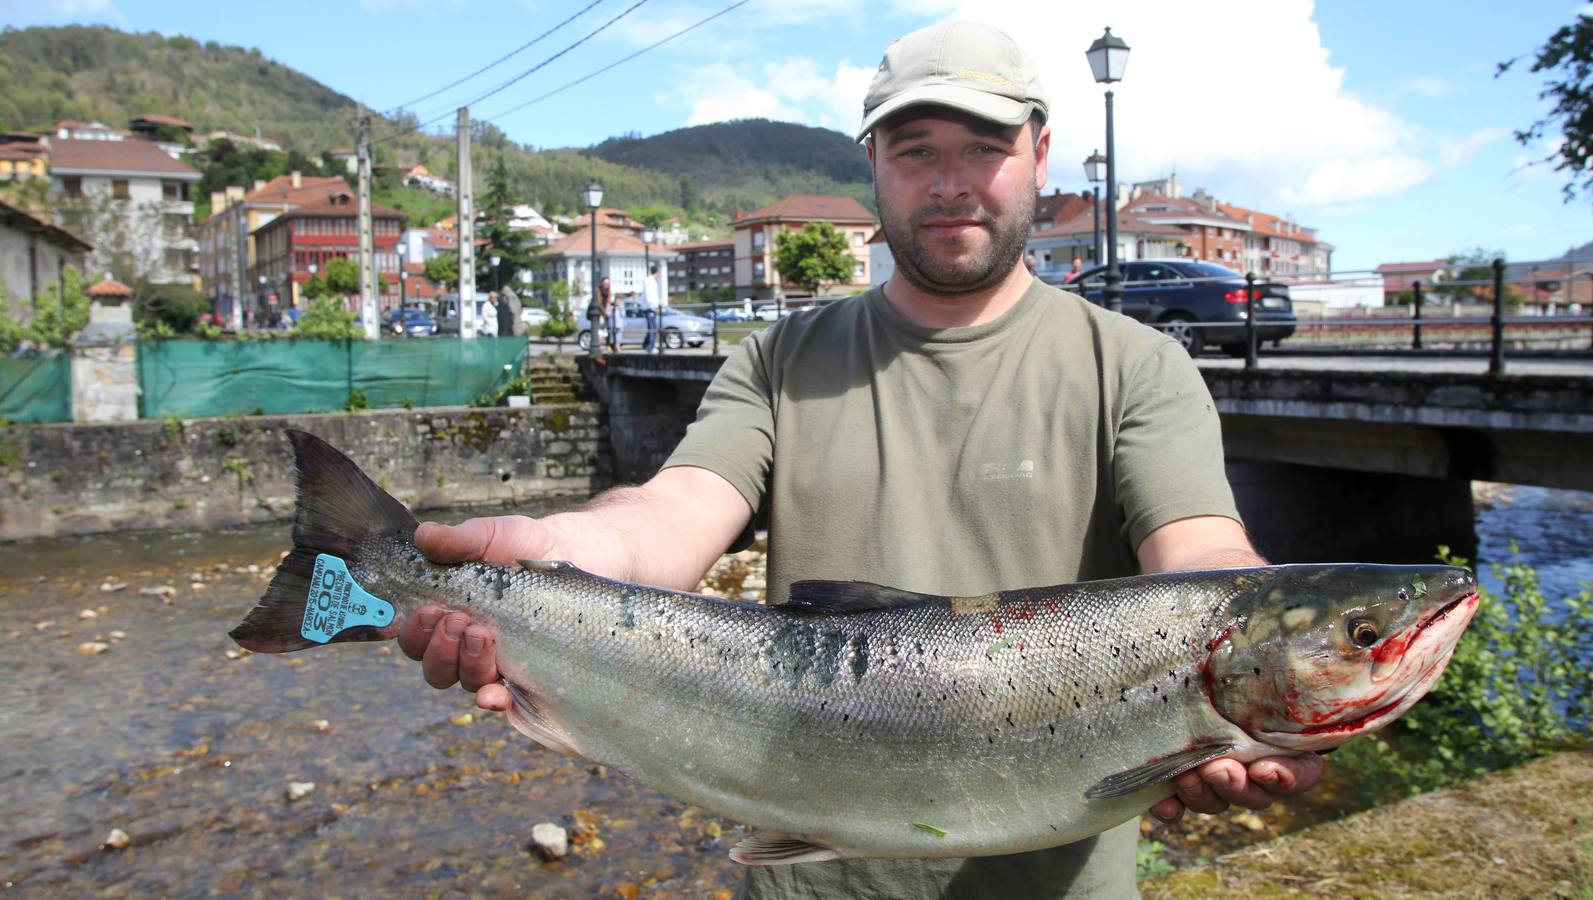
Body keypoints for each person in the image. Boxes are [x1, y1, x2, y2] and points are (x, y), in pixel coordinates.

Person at [399, 21, 1322, 899]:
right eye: (916, 149)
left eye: (984, 147)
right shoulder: (776, 359)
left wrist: (1276, 663)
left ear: (1040, 155)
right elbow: (673, 513)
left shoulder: (1135, 365)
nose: (950, 182)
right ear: (873, 163)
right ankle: (353, 582)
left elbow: (1201, 554)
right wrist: (548, 551)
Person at [641, 262, 664, 353]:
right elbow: (649, 296)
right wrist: (655, 306)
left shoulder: (651, 281)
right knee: (653, 328)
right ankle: (650, 346)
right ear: (657, 272)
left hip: (650, 307)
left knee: (652, 327)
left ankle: (646, 344)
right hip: (650, 308)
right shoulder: (650, 281)